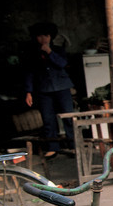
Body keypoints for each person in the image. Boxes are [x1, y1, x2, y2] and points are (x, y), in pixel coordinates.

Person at [24, 21, 75, 157]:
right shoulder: (32, 53)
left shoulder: (58, 50)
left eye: (45, 36)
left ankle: (73, 145)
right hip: (43, 89)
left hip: (62, 87)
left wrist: (49, 52)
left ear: (50, 36)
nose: (43, 39)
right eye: (39, 36)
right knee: (48, 119)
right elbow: (30, 72)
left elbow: (62, 63)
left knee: (68, 116)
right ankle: (53, 147)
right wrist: (28, 92)